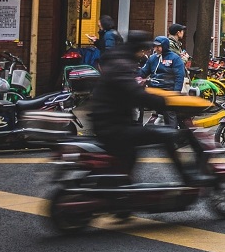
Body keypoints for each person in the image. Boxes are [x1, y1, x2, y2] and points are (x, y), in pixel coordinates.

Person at [90, 31, 211, 186]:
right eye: (148, 48)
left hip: (115, 121)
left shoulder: (124, 59)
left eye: (157, 47)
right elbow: (136, 91)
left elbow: (178, 76)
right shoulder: (124, 64)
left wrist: (172, 95)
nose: (151, 51)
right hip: (113, 126)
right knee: (166, 134)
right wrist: (162, 102)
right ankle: (187, 177)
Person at [139, 36, 187, 126]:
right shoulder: (152, 58)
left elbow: (179, 76)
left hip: (168, 90)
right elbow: (143, 72)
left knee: (169, 112)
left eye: (158, 46)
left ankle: (173, 133)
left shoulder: (175, 58)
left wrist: (176, 92)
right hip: (154, 90)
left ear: (164, 46)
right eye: (155, 46)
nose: (156, 48)